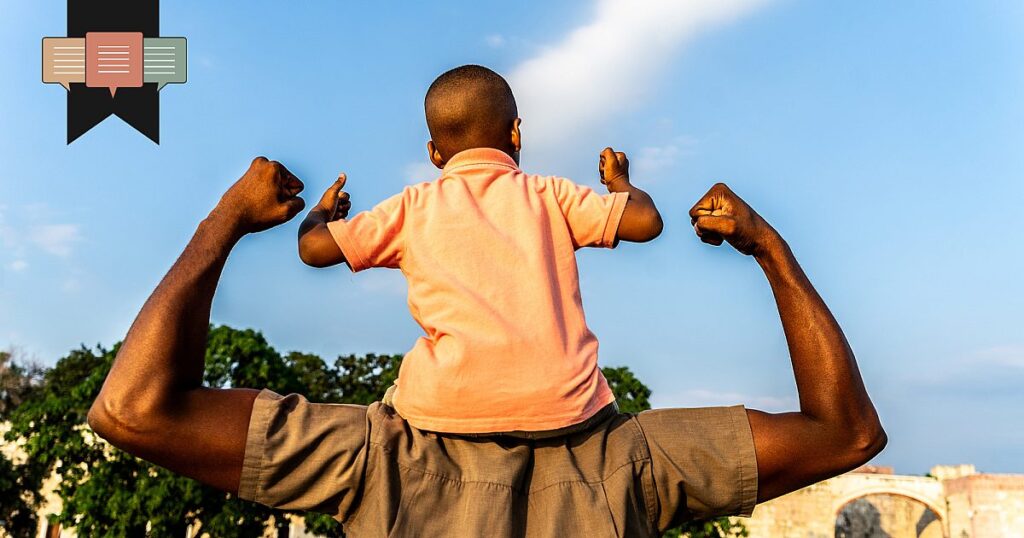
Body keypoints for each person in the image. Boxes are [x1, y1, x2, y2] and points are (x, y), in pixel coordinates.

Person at [88, 154, 886, 536]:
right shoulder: (639, 468)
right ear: (514, 137)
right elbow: (846, 432)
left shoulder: (369, 463)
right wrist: (765, 244)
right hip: (596, 451)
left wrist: (228, 219)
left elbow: (133, 410)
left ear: (437, 156)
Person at [296, 65, 663, 435]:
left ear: (434, 154)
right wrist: (619, 181)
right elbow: (645, 221)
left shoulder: (412, 207)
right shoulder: (550, 195)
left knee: (394, 404)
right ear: (516, 133)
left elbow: (313, 248)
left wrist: (322, 212)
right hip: (566, 405)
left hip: (447, 404)